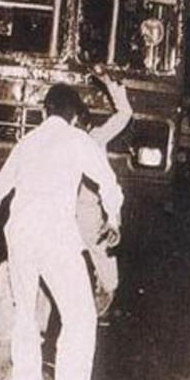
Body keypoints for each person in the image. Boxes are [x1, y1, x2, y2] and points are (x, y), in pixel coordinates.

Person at [0, 83, 123, 380]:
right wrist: (113, 219)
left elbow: (0, 185)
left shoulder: (27, 141)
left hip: (21, 234)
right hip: (56, 235)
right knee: (81, 317)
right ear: (74, 115)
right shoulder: (78, 139)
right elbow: (109, 182)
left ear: (45, 111)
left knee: (25, 314)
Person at [77, 67, 133, 315]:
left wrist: (109, 83)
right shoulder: (60, 139)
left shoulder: (96, 138)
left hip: (89, 208)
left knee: (101, 251)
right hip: (63, 207)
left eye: (81, 126)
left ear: (88, 126)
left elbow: (124, 113)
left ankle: (107, 292)